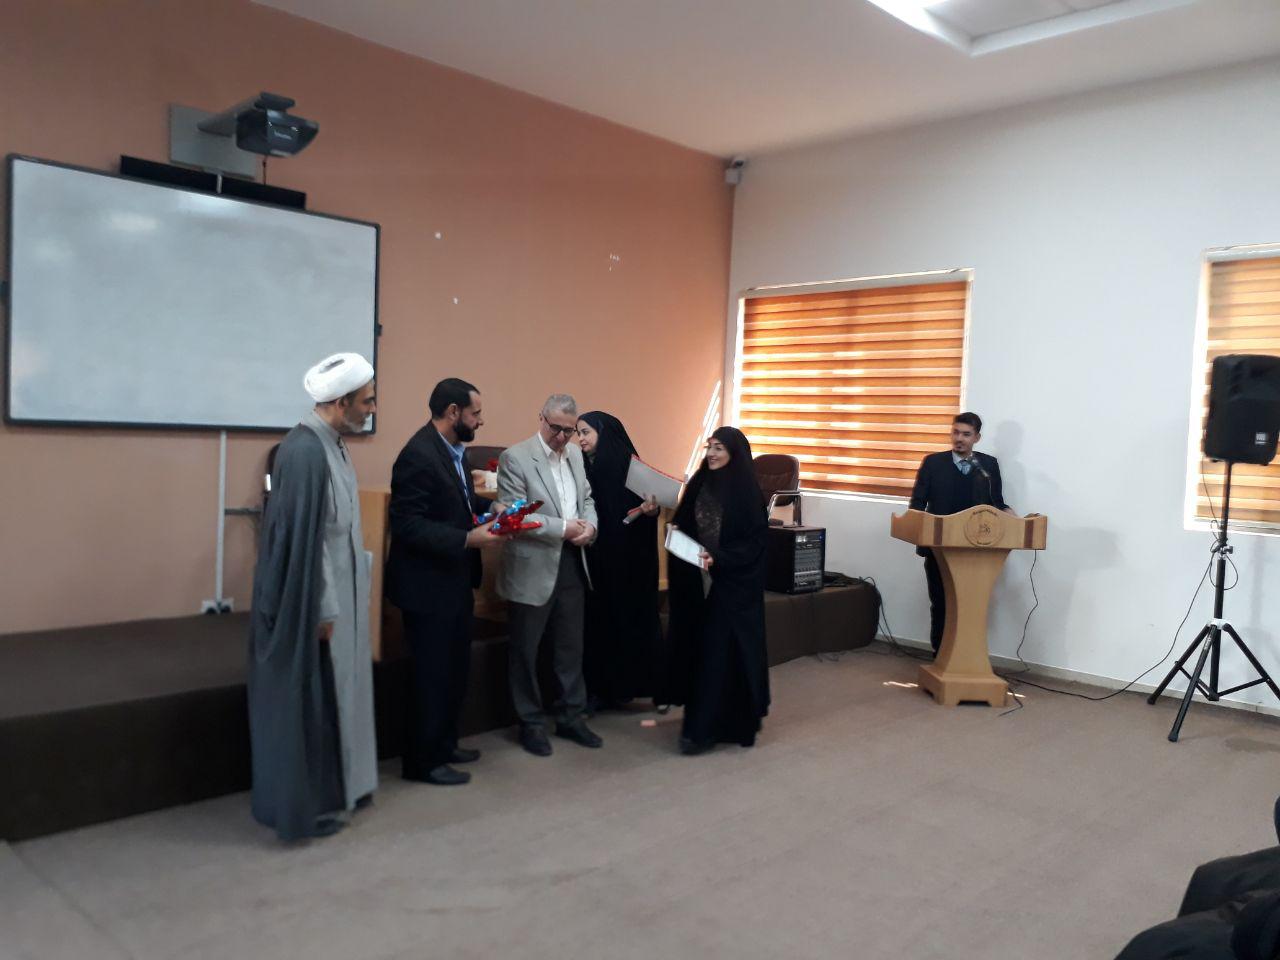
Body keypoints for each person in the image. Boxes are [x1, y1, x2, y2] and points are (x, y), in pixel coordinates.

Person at [247, 353, 379, 840]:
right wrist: (323, 609)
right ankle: (320, 803)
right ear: (341, 402)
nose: (372, 409)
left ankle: (349, 787)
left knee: (348, 691)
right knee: (324, 698)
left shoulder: (333, 442)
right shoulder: (304, 451)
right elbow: (307, 542)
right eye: (366, 401)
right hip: (323, 603)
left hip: (344, 592)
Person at [386, 378, 510, 786]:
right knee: (431, 676)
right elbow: (408, 525)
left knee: (454, 671)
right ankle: (422, 762)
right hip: (427, 586)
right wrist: (467, 539)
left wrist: (491, 509)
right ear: (453, 412)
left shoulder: (455, 452)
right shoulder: (417, 455)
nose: (481, 420)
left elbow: (457, 503)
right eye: (476, 413)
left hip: (454, 581)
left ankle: (444, 744)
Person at [497, 394, 603, 756]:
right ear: (541, 418)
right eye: (555, 428)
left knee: (570, 647)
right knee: (526, 650)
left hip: (572, 561)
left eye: (568, 431)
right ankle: (530, 723)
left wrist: (591, 526)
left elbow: (586, 500)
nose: (561, 437)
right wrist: (564, 528)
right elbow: (513, 515)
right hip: (533, 564)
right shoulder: (516, 457)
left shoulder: (575, 455)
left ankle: (571, 716)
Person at [666, 426, 770, 756]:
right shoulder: (700, 483)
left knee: (721, 654)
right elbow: (685, 522)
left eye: (719, 448)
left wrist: (721, 558)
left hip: (733, 586)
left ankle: (704, 731)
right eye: (709, 447)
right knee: (703, 652)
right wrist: (676, 533)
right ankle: (700, 726)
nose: (711, 453)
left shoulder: (747, 493)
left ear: (734, 454)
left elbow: (754, 544)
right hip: (698, 580)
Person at [908, 411, 1015, 655]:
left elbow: (996, 502)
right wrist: (916, 527)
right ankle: (941, 654)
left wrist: (1014, 518)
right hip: (939, 546)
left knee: (971, 604)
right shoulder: (933, 463)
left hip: (976, 548)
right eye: (955, 432)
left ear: (977, 438)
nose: (959, 438)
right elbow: (917, 504)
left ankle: (967, 656)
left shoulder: (987, 466)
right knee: (941, 602)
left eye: (966, 434)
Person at [575, 411, 662, 710]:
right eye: (578, 433)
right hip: (596, 556)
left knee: (627, 619)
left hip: (628, 560)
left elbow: (650, 507)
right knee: (599, 622)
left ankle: (629, 687)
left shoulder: (629, 465)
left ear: (604, 432)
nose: (580, 439)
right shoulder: (580, 466)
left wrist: (650, 511)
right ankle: (601, 690)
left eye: (586, 432)